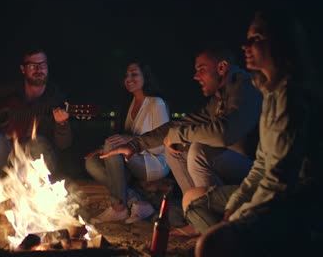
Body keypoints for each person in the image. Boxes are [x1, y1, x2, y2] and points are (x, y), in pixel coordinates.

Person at [185, 9, 322, 256]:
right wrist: (235, 206)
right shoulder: (270, 93)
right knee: (195, 204)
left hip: (296, 203)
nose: (245, 46)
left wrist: (239, 221)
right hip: (269, 189)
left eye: (256, 38)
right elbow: (261, 164)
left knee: (209, 244)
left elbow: (279, 181)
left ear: (281, 43)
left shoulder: (292, 98)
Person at [101, 46, 262, 199]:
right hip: (229, 163)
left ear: (221, 67)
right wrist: (135, 145)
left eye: (202, 70)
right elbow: (180, 124)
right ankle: (193, 210)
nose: (196, 76)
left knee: (199, 150)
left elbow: (224, 133)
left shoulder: (247, 88)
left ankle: (207, 211)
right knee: (175, 149)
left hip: (256, 170)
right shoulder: (218, 99)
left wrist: (177, 135)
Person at [85, 60, 171, 224]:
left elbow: (162, 144)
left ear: (145, 76)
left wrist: (130, 140)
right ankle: (137, 202)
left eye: (134, 74)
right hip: (133, 158)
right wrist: (102, 149)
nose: (129, 79)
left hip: (155, 162)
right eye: (126, 76)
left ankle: (118, 208)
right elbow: (121, 139)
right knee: (92, 162)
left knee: (112, 146)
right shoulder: (130, 103)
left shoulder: (156, 103)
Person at [0, 47, 72, 180]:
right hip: (9, 152)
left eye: (42, 65)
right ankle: (4, 189)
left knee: (37, 143)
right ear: (23, 69)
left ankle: (36, 188)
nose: (38, 70)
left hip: (39, 157)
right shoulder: (11, 90)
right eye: (32, 65)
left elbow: (64, 145)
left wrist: (62, 124)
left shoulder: (56, 98)